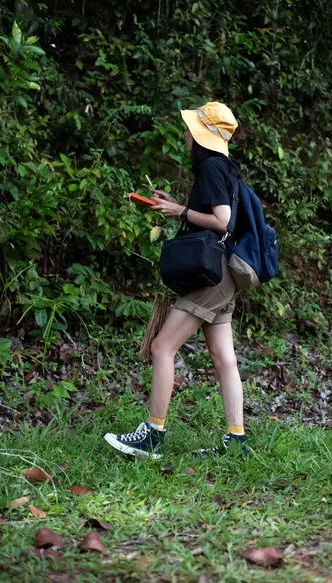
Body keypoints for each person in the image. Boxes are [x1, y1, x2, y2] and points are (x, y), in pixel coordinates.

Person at [104, 102, 247, 459]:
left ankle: (152, 436)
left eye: (189, 129)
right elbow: (215, 218)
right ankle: (236, 442)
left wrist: (180, 211)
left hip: (209, 279)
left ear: (201, 136)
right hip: (225, 273)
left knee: (162, 347)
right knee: (223, 357)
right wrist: (177, 206)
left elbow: (222, 221)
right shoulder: (224, 168)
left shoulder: (212, 166)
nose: (185, 134)